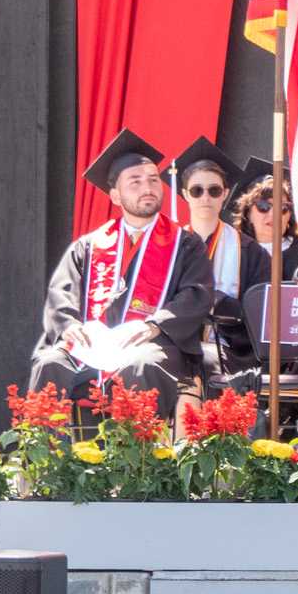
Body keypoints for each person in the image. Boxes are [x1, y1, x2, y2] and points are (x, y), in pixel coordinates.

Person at [28, 131, 215, 417]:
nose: (148, 187)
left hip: (153, 343)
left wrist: (154, 325)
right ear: (115, 195)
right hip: (92, 345)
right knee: (50, 362)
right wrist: (68, 326)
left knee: (140, 365)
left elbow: (196, 295)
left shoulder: (185, 244)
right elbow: (60, 293)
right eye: (135, 182)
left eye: (153, 179)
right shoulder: (90, 245)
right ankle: (53, 459)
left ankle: (135, 460)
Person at [172, 136, 270, 389]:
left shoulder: (250, 252)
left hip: (229, 349)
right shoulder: (167, 248)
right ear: (185, 195)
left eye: (214, 190)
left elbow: (261, 317)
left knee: (202, 362)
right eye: (197, 190)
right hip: (173, 343)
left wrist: (220, 305)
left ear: (225, 194)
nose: (205, 197)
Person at [231, 158, 298, 282]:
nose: (274, 214)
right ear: (248, 212)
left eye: (283, 208)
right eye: (264, 206)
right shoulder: (234, 252)